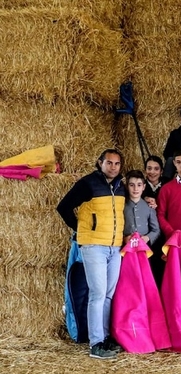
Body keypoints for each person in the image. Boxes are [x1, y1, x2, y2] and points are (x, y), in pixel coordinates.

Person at [56, 149, 125, 359]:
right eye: (109, 163)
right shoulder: (88, 183)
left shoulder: (121, 186)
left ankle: (104, 338)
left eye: (117, 163)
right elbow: (64, 207)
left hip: (115, 247)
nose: (113, 167)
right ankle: (95, 343)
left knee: (107, 295)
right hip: (93, 245)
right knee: (97, 294)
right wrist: (82, 228)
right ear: (99, 163)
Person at [123, 170, 161, 249]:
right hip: (125, 248)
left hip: (144, 248)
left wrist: (147, 238)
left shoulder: (149, 206)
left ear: (143, 187)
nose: (135, 188)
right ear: (127, 186)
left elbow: (156, 230)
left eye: (139, 185)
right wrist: (123, 238)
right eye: (131, 185)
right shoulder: (121, 206)